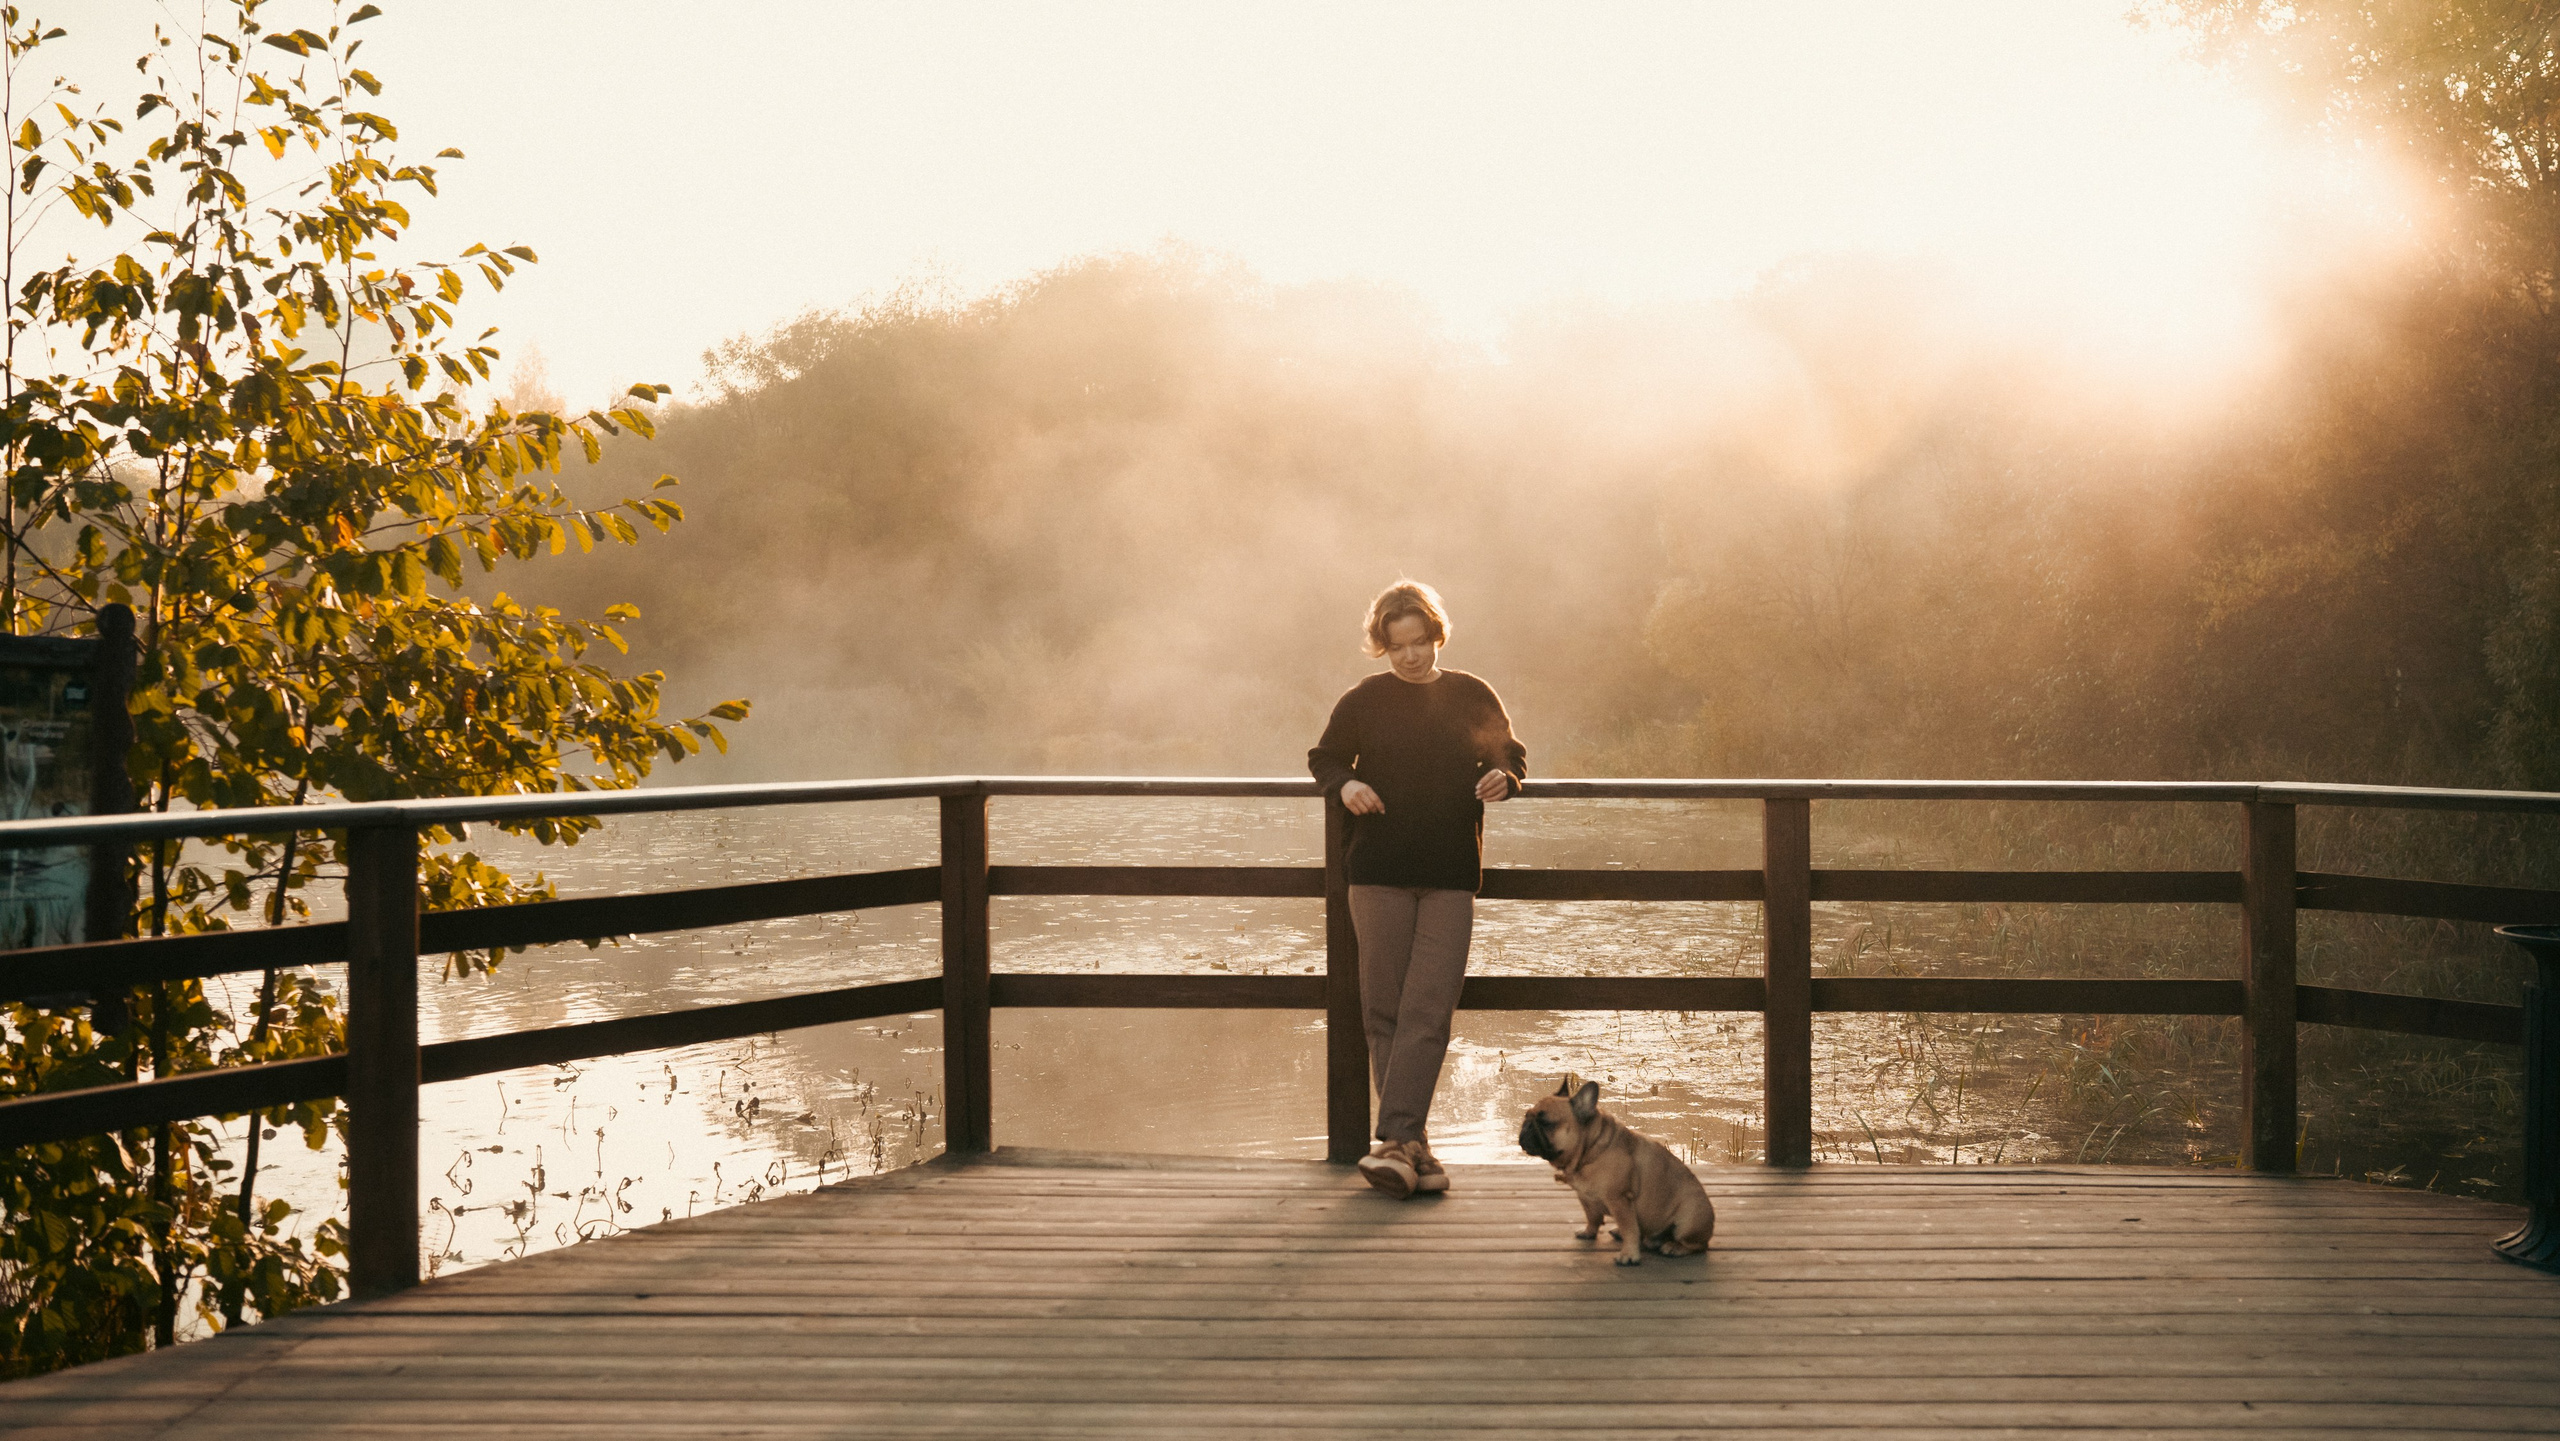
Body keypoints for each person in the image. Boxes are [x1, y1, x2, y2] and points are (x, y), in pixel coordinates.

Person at [1307, 579, 1526, 1198]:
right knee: (1383, 1009)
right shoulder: (1364, 700)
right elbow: (1325, 758)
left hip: (1450, 873)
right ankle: (1412, 1150)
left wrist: (1504, 777)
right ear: (1383, 645)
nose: (1410, 655)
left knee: (1428, 1009)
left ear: (1436, 636)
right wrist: (1345, 785)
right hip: (1376, 871)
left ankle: (1396, 1142)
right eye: (1397, 645)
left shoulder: (1470, 694)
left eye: (1419, 642)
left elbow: (1509, 754)